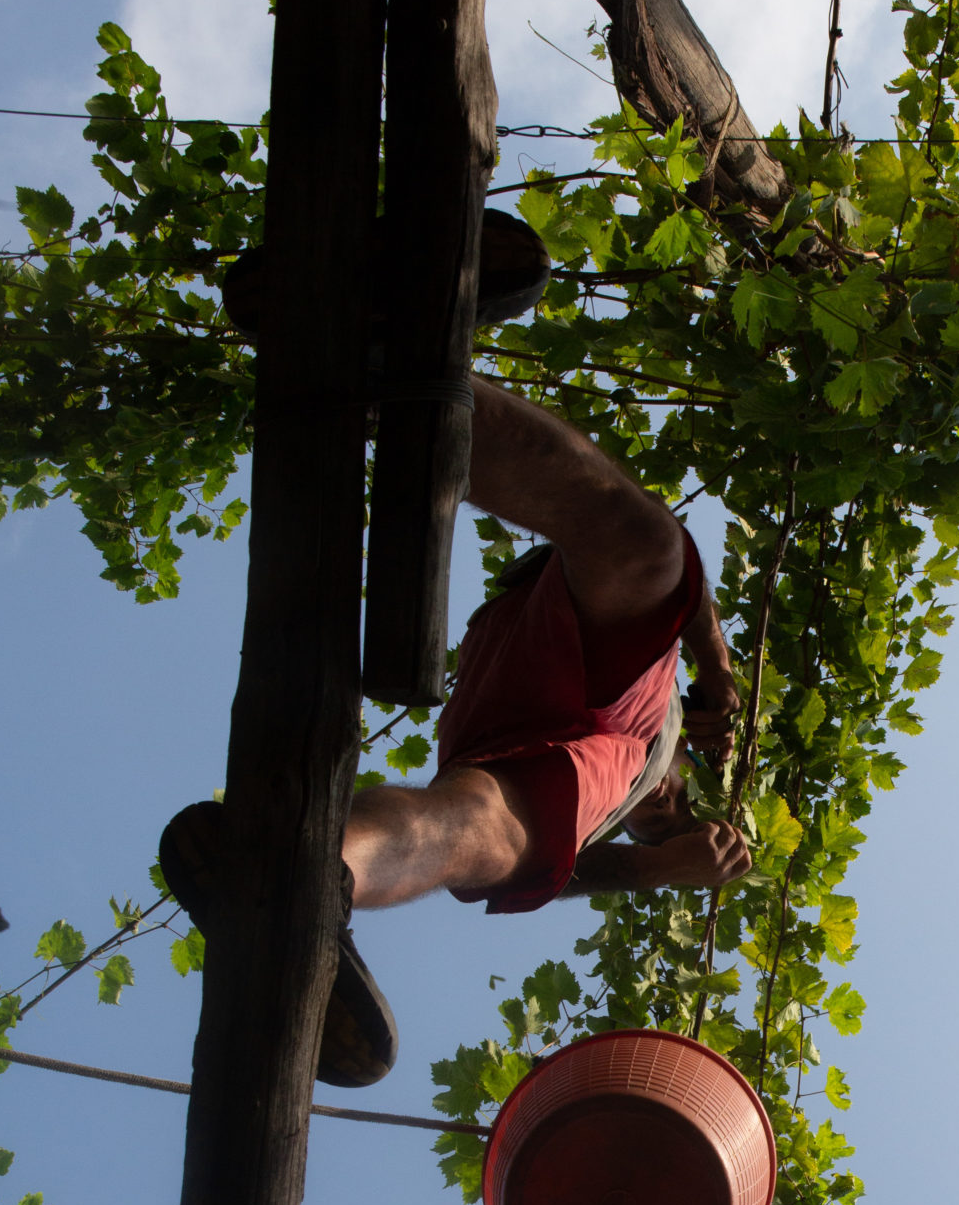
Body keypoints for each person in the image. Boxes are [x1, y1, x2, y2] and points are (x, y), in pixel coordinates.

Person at [160, 379, 752, 1087]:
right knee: (650, 546)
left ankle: (306, 878)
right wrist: (715, 667)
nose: (668, 812)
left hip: (575, 751)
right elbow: (678, 577)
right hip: (597, 669)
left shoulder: (610, 803)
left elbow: (542, 867)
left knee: (482, 828)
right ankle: (403, 370)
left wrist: (658, 870)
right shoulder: (673, 700)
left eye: (657, 828)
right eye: (681, 803)